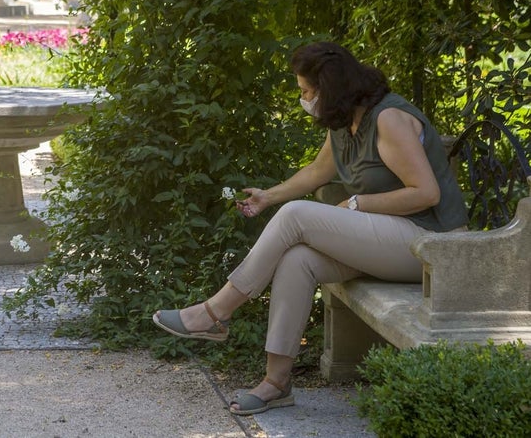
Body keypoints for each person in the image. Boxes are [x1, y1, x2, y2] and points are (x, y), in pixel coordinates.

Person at [152, 41, 467, 416]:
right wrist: (268, 196)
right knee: (298, 260)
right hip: (390, 239)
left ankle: (216, 312)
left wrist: (357, 203)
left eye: (305, 91)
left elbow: (426, 193)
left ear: (329, 89)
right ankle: (276, 382)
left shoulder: (388, 119)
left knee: (298, 215)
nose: (302, 98)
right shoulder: (346, 121)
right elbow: (318, 173)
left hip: (433, 246)